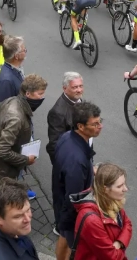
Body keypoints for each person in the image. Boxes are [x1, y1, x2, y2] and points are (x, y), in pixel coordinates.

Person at [53, 102, 103, 260]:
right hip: (71, 212)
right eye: (95, 124)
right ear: (81, 126)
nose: (100, 126)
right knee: (72, 244)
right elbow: (74, 197)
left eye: (100, 122)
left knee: (63, 235)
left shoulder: (67, 137)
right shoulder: (77, 161)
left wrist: (89, 169)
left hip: (60, 201)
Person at [0, 74, 48, 183]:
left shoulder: (13, 99)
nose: (42, 97)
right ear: (28, 93)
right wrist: (26, 160)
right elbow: (2, 150)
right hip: (2, 169)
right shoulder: (16, 118)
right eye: (40, 93)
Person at [69, 163, 132, 260]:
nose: (125, 189)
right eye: (120, 186)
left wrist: (119, 243)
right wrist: (120, 243)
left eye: (124, 184)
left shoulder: (111, 200)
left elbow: (127, 223)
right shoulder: (91, 220)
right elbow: (111, 257)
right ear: (105, 189)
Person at [46, 72, 84, 164]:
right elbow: (54, 145)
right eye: (75, 87)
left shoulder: (77, 100)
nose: (79, 90)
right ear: (64, 88)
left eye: (80, 86)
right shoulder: (57, 113)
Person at [0, 35, 27, 103]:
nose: (26, 51)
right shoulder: (6, 82)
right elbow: (5, 107)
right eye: (24, 50)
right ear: (16, 56)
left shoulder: (17, 68)